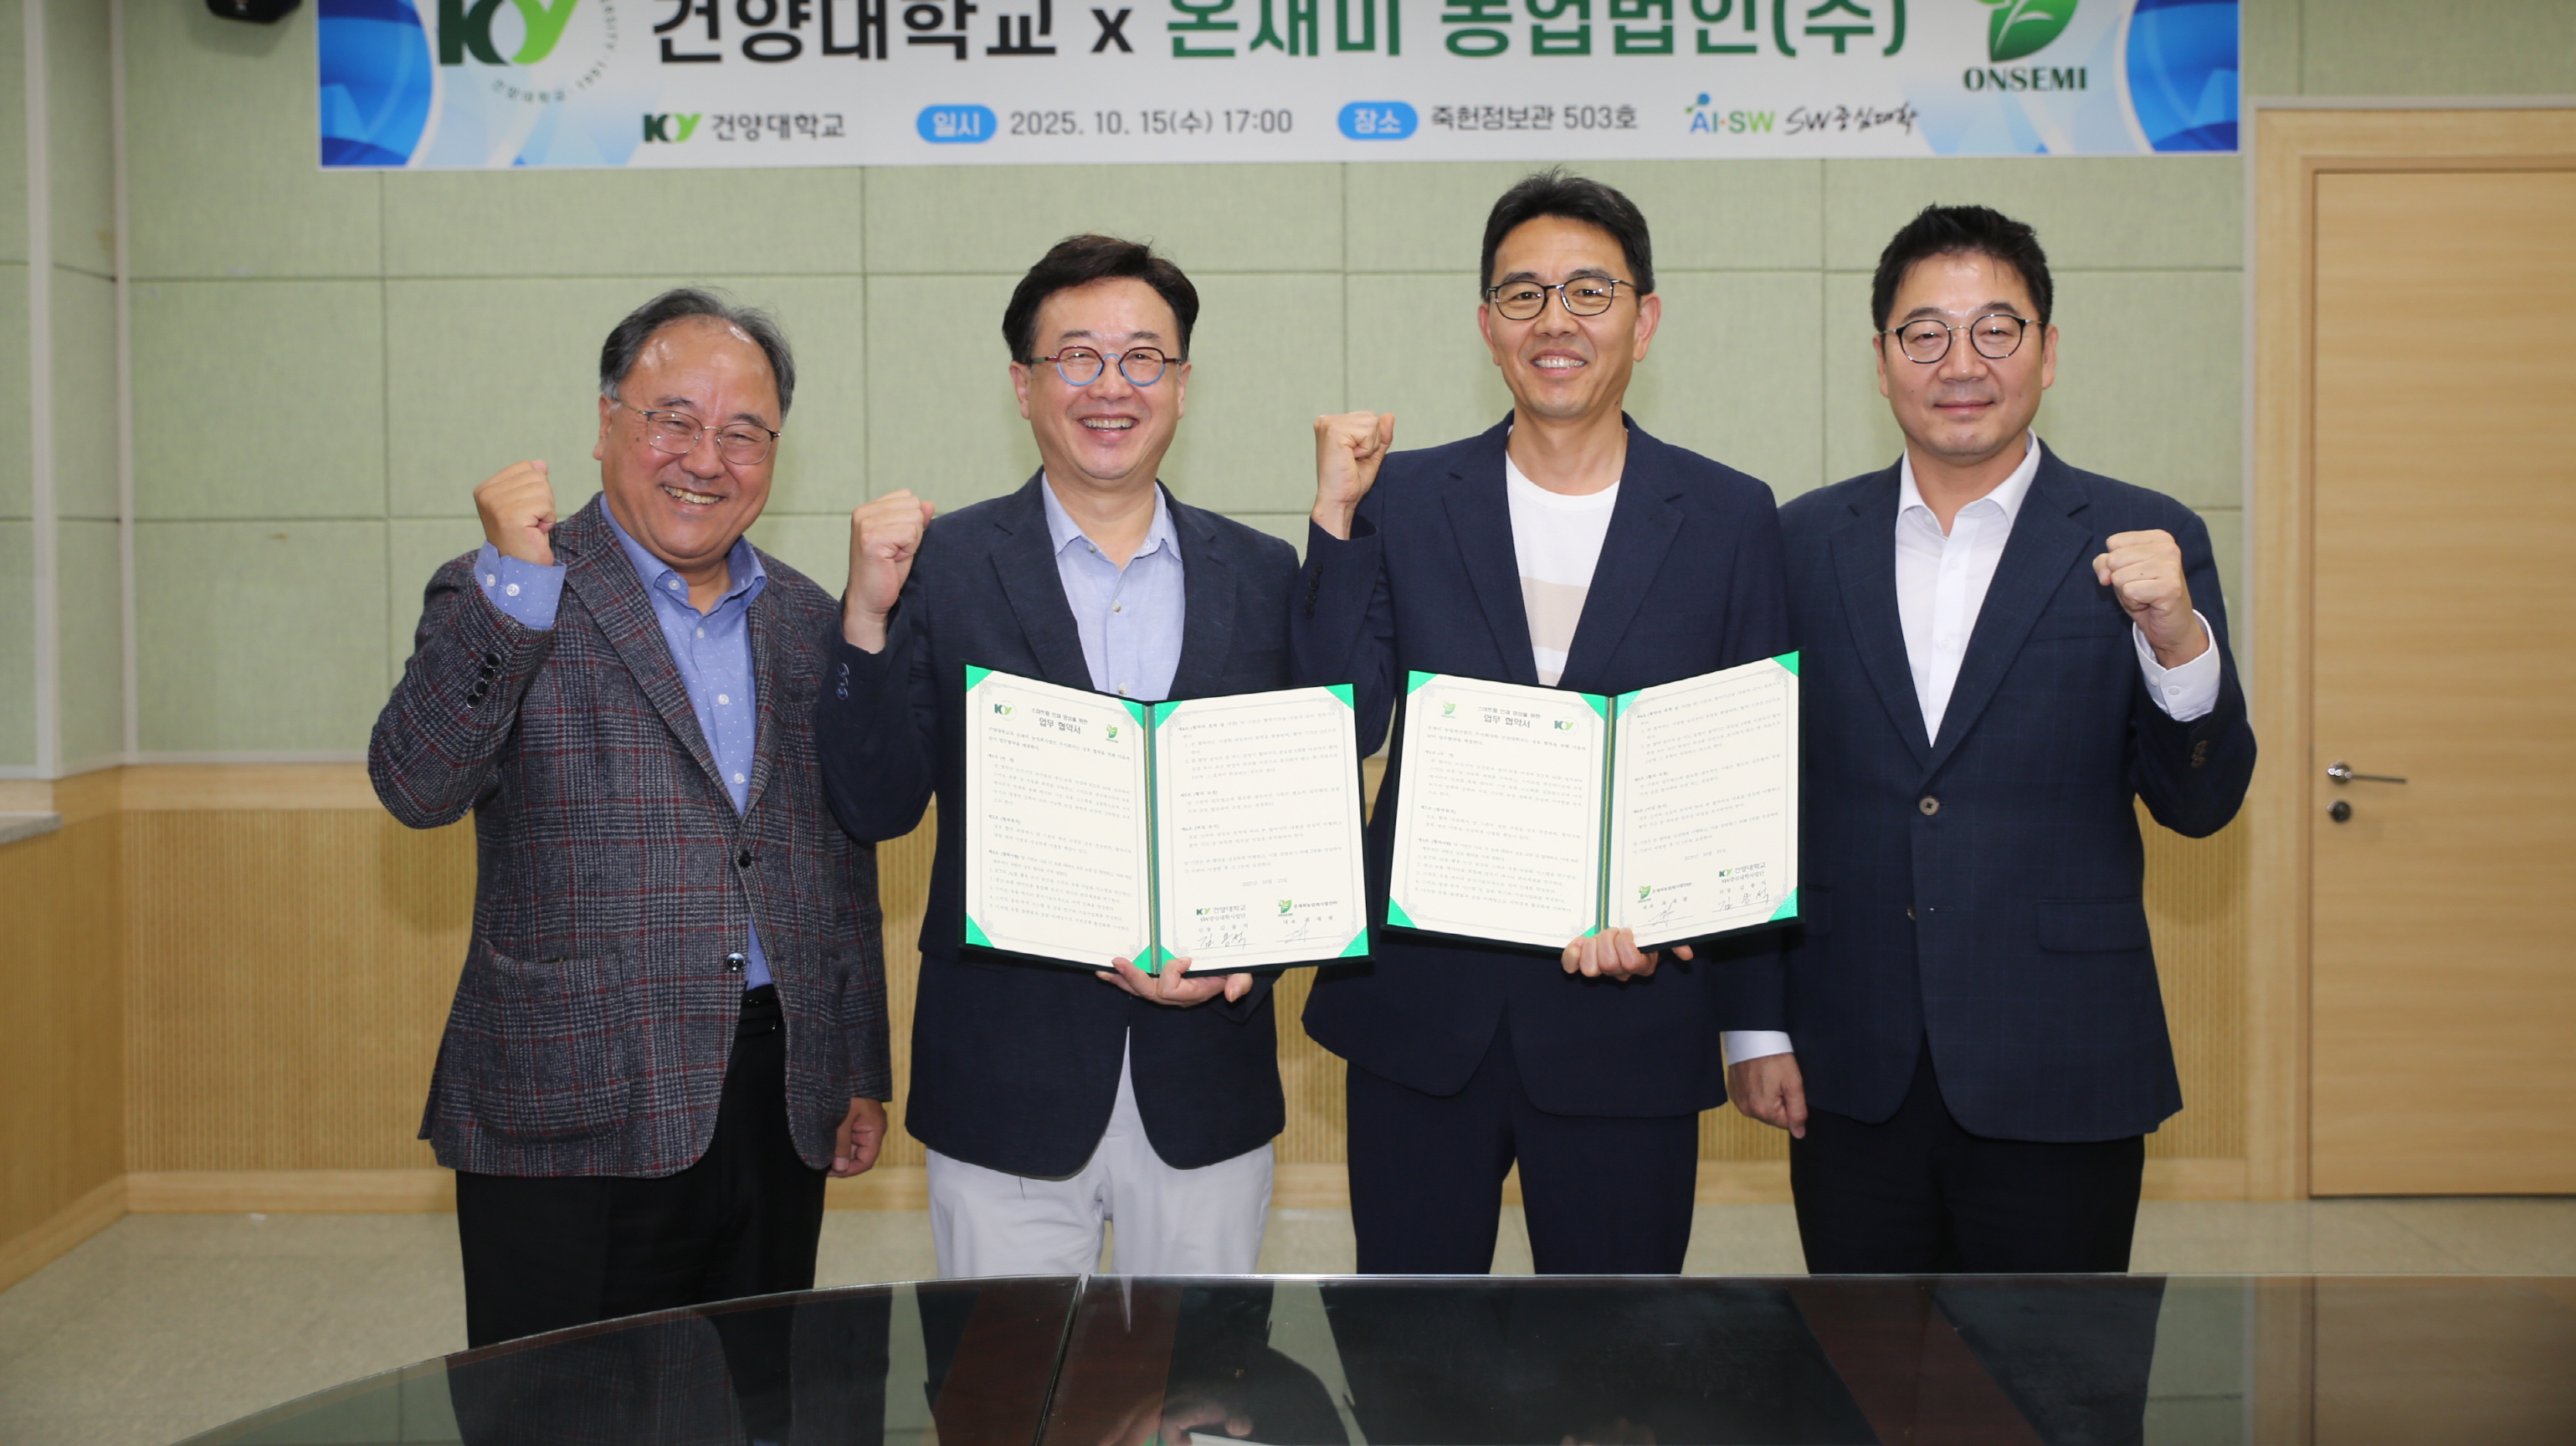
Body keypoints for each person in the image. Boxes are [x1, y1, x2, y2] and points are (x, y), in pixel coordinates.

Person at [1726, 203, 2255, 1277]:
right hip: (1848, 1059)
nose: (1960, 363)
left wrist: (2177, 636)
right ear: (1881, 360)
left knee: (2057, 1368)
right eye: (1925, 333)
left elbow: (2200, 804)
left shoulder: (2144, 540)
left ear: (2048, 352)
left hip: (2063, 1051)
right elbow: (1751, 794)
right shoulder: (1797, 541)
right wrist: (1754, 1024)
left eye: (1996, 329)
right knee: (1862, 1364)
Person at [368, 289, 888, 1348]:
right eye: (673, 420)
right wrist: (516, 593)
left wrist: (858, 1066)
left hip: (776, 1092)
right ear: (607, 423)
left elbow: (837, 862)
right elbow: (417, 787)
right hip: (573, 1097)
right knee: (562, 1404)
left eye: (743, 432)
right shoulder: (505, 593)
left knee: (756, 1394)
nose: (706, 458)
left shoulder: (806, 618)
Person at [1293, 170, 1791, 1275]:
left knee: (1616, 1356)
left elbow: (1754, 776)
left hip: (1633, 1019)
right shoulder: (1401, 497)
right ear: (1487, 327)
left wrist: (1752, 1017)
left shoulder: (1727, 515)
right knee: (1412, 1351)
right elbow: (1335, 723)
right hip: (1424, 1021)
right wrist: (1333, 517)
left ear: (1643, 321)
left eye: (1588, 291)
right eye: (1523, 295)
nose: (1554, 320)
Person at [815, 233, 1298, 1279]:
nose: (1111, 385)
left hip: (1206, 1076)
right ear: (1023, 385)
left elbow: (1287, 819)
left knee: (1199, 1369)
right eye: (1077, 355)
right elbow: (876, 803)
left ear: (1182, 384)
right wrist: (862, 617)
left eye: (1142, 357)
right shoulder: (937, 566)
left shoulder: (1265, 574)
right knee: (1008, 1371)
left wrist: (1249, 954)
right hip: (1005, 1077)